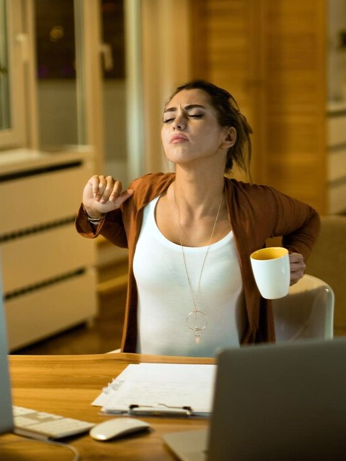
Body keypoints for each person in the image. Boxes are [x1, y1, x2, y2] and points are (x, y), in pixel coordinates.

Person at [76, 80, 320, 356]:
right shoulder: (144, 193)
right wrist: (94, 212)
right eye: (168, 118)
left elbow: (308, 218)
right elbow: (129, 237)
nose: (176, 123)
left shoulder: (258, 205)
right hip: (146, 378)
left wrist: (294, 256)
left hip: (230, 381)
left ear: (227, 137)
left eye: (194, 114)